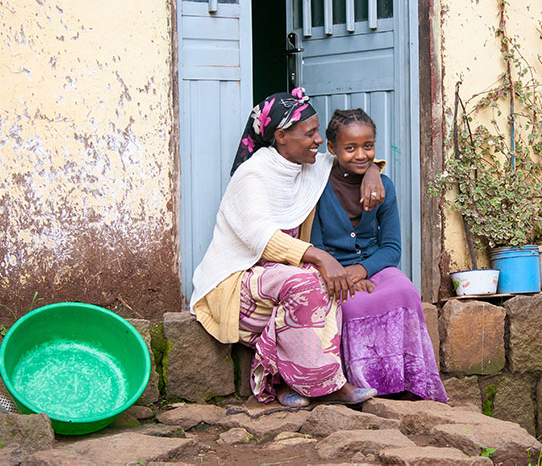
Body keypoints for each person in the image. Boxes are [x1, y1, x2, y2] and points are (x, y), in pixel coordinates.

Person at [189, 89, 385, 408]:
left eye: (318, 132)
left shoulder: (309, 166)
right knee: (307, 282)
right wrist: (320, 257)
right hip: (235, 284)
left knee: (322, 284)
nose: (319, 141)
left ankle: (283, 380)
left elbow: (354, 162)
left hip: (277, 279)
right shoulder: (252, 175)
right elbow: (261, 238)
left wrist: (374, 170)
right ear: (281, 136)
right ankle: (325, 385)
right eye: (309, 133)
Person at [310, 109, 448, 402]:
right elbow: (315, 246)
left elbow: (391, 248)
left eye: (368, 146)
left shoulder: (384, 186)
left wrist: (362, 270)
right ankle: (360, 385)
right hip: (332, 272)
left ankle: (406, 383)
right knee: (351, 307)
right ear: (332, 149)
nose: (361, 154)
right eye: (350, 148)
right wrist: (345, 275)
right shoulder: (317, 188)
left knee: (404, 291)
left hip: (373, 266)